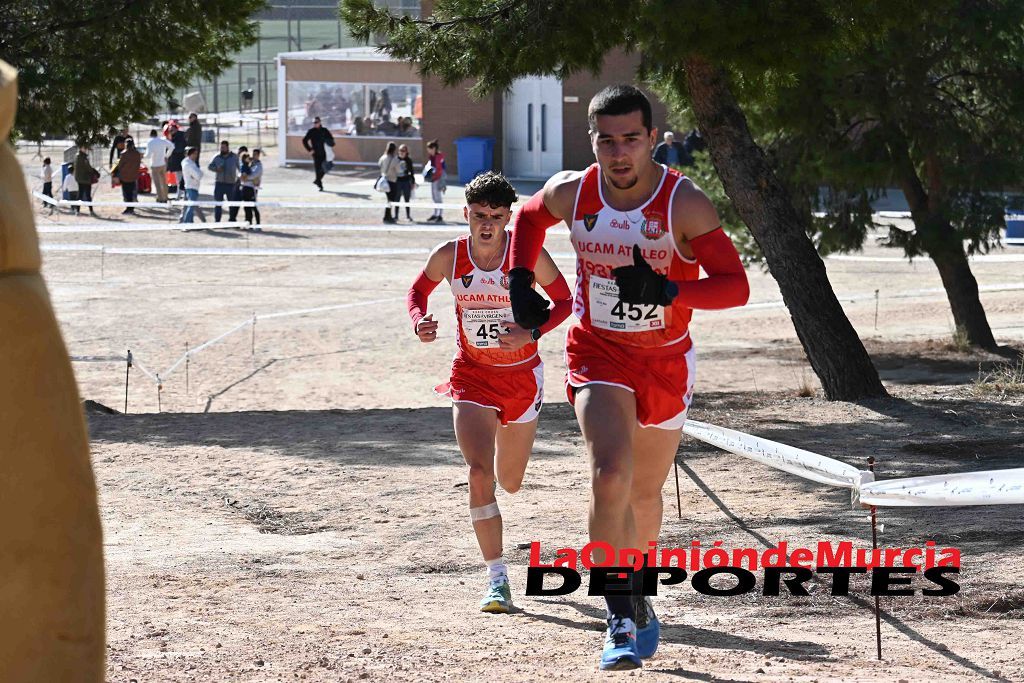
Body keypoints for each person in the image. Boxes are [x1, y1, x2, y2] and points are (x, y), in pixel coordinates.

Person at [506, 85, 749, 670]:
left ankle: (638, 589)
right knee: (610, 474)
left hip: (665, 360)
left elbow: (735, 287)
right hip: (598, 354)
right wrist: (519, 280)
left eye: (631, 139)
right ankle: (616, 612)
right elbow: (527, 217)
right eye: (606, 140)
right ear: (592, 140)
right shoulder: (573, 190)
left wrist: (668, 289)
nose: (619, 153)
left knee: (645, 494)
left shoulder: (683, 203)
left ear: (652, 140)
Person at [407, 171, 573, 613]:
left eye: (496, 217)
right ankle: (497, 579)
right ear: (466, 213)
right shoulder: (450, 256)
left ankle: (506, 475)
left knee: (510, 482)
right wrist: (419, 321)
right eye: (479, 215)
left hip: (521, 378)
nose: (486, 224)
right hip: (472, 375)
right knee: (479, 475)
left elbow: (567, 302)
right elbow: (418, 289)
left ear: (508, 218)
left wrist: (531, 331)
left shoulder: (528, 255)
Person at [207, 140, 239, 223]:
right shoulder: (216, 157)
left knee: (232, 204)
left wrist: (239, 178)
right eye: (221, 147)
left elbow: (240, 168)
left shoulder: (234, 157)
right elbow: (210, 166)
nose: (222, 149)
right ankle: (217, 221)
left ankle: (232, 220)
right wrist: (217, 169)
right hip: (219, 184)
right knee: (218, 204)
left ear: (227, 147)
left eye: (224, 147)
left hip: (231, 184)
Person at [302, 116, 335, 191]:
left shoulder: (324, 130)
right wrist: (309, 149)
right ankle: (320, 185)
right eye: (314, 122)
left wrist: (328, 141)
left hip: (324, 152)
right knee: (317, 169)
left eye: (316, 122)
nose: (315, 124)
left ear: (320, 122)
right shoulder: (311, 131)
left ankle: (317, 180)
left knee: (325, 168)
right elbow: (304, 140)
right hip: (316, 153)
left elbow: (331, 139)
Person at [145, 129, 173, 203]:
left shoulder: (150, 142)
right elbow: (172, 146)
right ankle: (165, 196)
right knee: (164, 181)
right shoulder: (162, 140)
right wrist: (166, 156)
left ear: (150, 135)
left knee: (157, 183)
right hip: (162, 163)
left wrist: (143, 156)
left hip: (154, 164)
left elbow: (148, 155)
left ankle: (160, 198)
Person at [378, 141, 401, 224]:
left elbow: (379, 165)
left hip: (385, 180)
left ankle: (387, 216)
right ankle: (387, 216)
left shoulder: (383, 157)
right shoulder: (394, 159)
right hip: (392, 181)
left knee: (388, 199)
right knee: (391, 200)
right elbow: (399, 170)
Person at [116, 139, 142, 214]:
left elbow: (120, 165)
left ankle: (129, 208)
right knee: (132, 192)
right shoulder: (137, 154)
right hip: (134, 176)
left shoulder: (123, 154)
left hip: (125, 177)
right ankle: (131, 208)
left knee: (126, 193)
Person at [239, 149, 262, 229]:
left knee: (253, 206)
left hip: (252, 189)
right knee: (246, 206)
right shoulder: (250, 164)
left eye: (256, 154)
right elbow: (242, 174)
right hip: (245, 187)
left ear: (258, 155)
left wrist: (245, 178)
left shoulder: (259, 165)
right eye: (253, 154)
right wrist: (242, 177)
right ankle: (248, 223)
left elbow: (254, 175)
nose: (254, 155)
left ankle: (258, 225)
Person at [180, 146, 202, 226]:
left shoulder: (191, 163)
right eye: (195, 154)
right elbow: (198, 175)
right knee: (191, 206)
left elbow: (199, 174)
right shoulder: (188, 164)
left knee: (191, 206)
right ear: (190, 154)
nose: (196, 155)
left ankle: (191, 222)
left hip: (192, 186)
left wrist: (198, 174)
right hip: (191, 187)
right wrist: (197, 175)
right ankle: (186, 223)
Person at [425, 139, 446, 223]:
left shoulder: (439, 156)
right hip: (433, 179)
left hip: (438, 178)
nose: (428, 150)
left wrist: (437, 179)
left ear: (433, 148)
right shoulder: (432, 157)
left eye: (429, 148)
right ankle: (435, 213)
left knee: (438, 197)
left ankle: (440, 215)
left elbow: (440, 169)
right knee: (434, 197)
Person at [73, 146, 97, 216]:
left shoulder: (77, 156)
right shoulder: (83, 157)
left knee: (80, 195)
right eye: (84, 148)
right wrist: (94, 171)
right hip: (85, 179)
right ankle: (91, 210)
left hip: (80, 179)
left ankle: (77, 210)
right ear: (81, 148)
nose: (86, 149)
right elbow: (88, 168)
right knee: (87, 195)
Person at [395, 144, 416, 221]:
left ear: (406, 152)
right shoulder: (396, 159)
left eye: (403, 151)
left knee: (407, 199)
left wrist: (413, 182)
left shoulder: (408, 160)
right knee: (397, 199)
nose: (401, 152)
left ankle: (408, 215)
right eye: (400, 150)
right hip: (398, 182)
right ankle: (396, 216)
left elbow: (412, 172)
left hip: (406, 181)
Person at [228, 145, 249, 222]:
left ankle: (248, 221)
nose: (239, 153)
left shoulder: (248, 162)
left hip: (246, 186)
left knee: (247, 205)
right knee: (235, 203)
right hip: (237, 185)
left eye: (240, 152)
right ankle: (232, 220)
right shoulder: (236, 160)